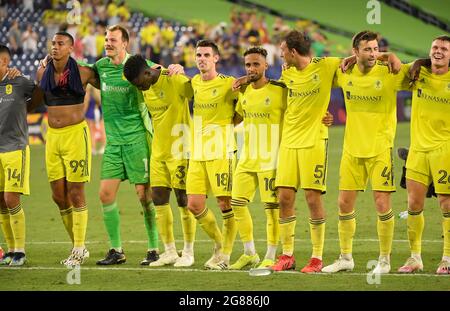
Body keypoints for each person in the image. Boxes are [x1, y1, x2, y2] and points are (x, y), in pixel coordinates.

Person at [229, 46, 335, 271]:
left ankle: (271, 254)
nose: (251, 68)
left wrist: (324, 116)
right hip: (247, 156)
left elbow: (304, 104)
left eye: (256, 64)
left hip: (273, 157)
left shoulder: (281, 88)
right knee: (236, 203)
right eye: (248, 64)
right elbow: (237, 116)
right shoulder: (244, 91)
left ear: (267, 65)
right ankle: (249, 252)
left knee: (273, 207)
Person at [321, 31, 406, 274]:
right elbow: (318, 73)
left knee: (382, 204)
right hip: (351, 149)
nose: (373, 54)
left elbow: (421, 68)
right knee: (344, 204)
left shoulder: (389, 71)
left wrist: (390, 55)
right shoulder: (344, 72)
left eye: (376, 49)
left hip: (380, 149)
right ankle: (345, 257)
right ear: (355, 51)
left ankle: (384, 261)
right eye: (367, 49)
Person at [271, 30, 344, 273]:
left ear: (293, 52)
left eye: (282, 50)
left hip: (314, 141)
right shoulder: (287, 73)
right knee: (284, 198)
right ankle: (287, 255)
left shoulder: (326, 66)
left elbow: (353, 61)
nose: (280, 54)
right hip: (289, 142)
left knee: (313, 198)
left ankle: (316, 257)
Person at [92, 25, 159, 266]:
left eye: (113, 40)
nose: (108, 43)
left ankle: (154, 249)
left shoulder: (138, 65)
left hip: (137, 139)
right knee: (105, 194)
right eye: (106, 40)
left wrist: (173, 68)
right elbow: (81, 70)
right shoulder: (100, 66)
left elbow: (159, 72)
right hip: (113, 143)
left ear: (125, 44)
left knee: (144, 195)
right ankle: (116, 250)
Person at [123, 54, 197, 267]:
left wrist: (183, 72)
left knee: (184, 200)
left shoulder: (173, 78)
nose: (140, 89)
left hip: (180, 149)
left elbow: (196, 90)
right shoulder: (144, 83)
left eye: (140, 84)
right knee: (158, 199)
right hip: (159, 151)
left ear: (147, 73)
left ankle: (189, 252)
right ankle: (170, 251)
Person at [36, 32, 99, 266]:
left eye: (60, 44)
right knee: (58, 196)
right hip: (52, 137)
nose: (55, 47)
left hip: (75, 135)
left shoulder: (84, 72)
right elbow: (34, 99)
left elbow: (108, 86)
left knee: (75, 192)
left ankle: (79, 249)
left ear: (71, 48)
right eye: (53, 43)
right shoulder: (43, 72)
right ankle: (78, 246)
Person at [398, 35, 450, 274]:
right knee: (413, 204)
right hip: (418, 150)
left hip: (445, 150)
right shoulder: (418, 73)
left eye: (444, 49)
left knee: (446, 205)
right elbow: (392, 64)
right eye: (435, 48)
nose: (438, 52)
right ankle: (415, 257)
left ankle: (447, 259)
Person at [187, 39, 239, 270]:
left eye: (207, 55)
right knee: (194, 204)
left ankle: (226, 256)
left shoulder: (229, 83)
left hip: (221, 152)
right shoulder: (194, 82)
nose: (202, 59)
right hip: (197, 152)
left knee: (224, 203)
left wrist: (227, 124)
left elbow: (243, 110)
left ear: (216, 58)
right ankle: (219, 243)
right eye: (199, 55)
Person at [0, 44, 42, 266]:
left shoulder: (19, 81)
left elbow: (39, 93)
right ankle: (9, 250)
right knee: (0, 201)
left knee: (11, 198)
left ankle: (20, 251)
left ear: (5, 62)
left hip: (15, 147)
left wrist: (27, 109)